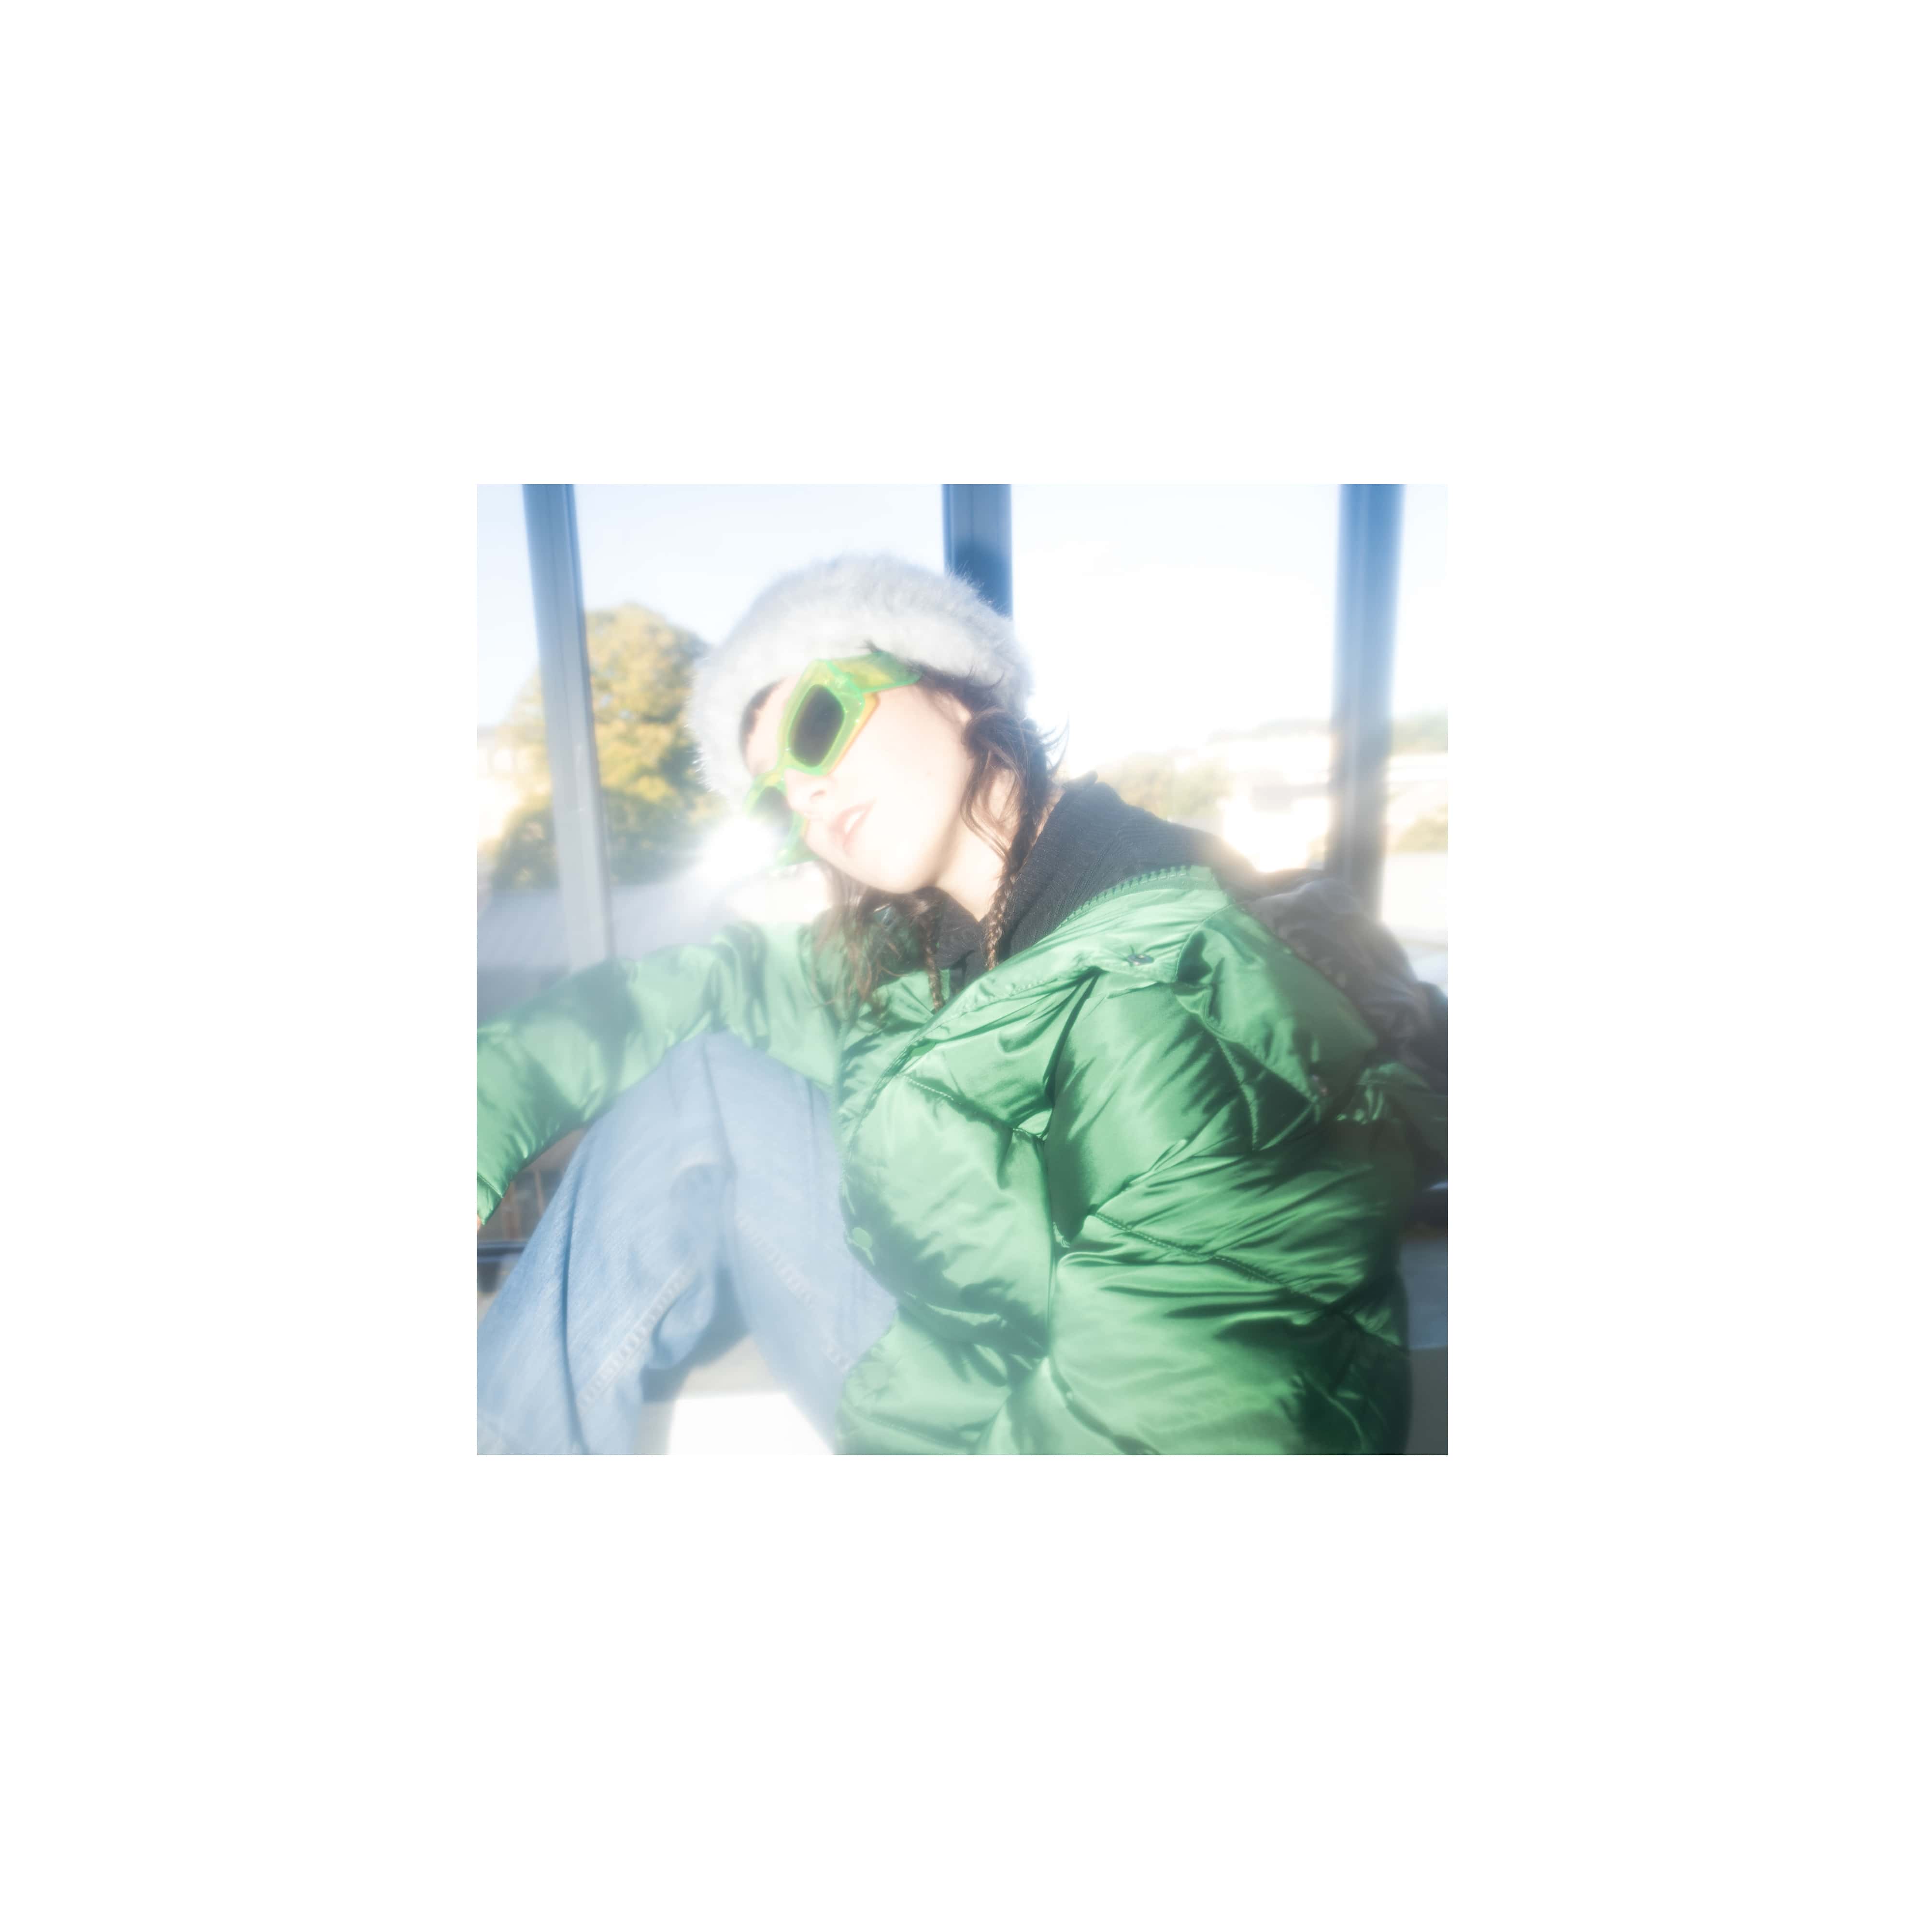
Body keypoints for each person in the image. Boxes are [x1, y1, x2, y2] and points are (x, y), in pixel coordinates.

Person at [476, 554, 1443, 1453]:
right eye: (777, 801)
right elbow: (694, 989)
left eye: (816, 726)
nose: (807, 800)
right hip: (968, 1363)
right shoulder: (928, 950)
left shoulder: (1181, 1003)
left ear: (951, 683)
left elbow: (1167, 1425)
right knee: (704, 1086)